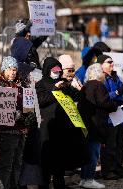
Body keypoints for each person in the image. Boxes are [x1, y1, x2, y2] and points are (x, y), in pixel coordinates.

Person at [36, 57, 88, 189]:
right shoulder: (40, 84)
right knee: (47, 162)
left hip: (62, 128)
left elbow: (75, 97)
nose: (57, 73)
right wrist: (54, 89)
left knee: (59, 162)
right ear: (47, 70)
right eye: (54, 71)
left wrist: (81, 90)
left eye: (59, 71)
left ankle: (60, 185)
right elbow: (41, 100)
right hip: (47, 128)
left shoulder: (63, 83)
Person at [78, 63, 118, 189]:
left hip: (86, 125)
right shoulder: (98, 85)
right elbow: (104, 101)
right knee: (93, 153)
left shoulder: (85, 86)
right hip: (96, 125)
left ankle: (84, 179)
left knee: (87, 153)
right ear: (98, 74)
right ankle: (89, 179)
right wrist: (114, 106)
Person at [0, 56, 29, 189]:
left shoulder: (19, 87)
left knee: (17, 163)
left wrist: (26, 120)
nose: (13, 72)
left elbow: (25, 107)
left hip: (19, 130)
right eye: (10, 69)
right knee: (6, 164)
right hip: (5, 131)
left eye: (15, 69)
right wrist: (13, 113)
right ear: (3, 70)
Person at [97, 54, 123, 180]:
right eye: (109, 62)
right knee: (110, 145)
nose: (112, 64)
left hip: (120, 113)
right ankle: (107, 171)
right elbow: (104, 98)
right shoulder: (100, 78)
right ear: (101, 65)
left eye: (112, 62)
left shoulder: (115, 76)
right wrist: (118, 92)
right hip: (109, 116)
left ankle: (118, 168)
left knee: (121, 143)